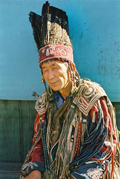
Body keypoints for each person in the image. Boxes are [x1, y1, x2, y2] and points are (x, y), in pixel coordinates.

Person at [20, 1, 120, 179]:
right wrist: (35, 169)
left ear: (70, 67)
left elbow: (103, 149)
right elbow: (38, 144)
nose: (50, 75)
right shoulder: (45, 103)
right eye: (45, 69)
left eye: (55, 67)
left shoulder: (92, 98)